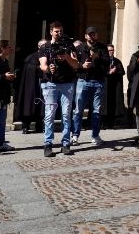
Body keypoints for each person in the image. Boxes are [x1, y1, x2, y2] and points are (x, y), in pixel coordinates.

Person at [40, 25, 79, 156]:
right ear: (51, 32)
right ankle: (48, 144)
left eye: (61, 31)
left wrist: (67, 57)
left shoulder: (69, 46)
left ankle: (66, 143)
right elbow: (42, 64)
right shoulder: (45, 47)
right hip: (50, 84)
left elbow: (76, 64)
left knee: (66, 115)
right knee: (49, 115)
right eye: (56, 31)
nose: (59, 33)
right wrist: (48, 68)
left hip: (67, 84)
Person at [74, 26, 111, 146]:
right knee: (78, 110)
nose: (91, 36)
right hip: (83, 80)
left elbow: (107, 62)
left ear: (97, 35)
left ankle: (95, 135)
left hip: (97, 81)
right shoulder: (80, 48)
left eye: (94, 34)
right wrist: (82, 65)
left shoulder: (102, 47)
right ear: (85, 36)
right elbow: (74, 64)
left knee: (96, 110)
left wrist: (98, 57)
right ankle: (75, 135)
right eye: (89, 34)